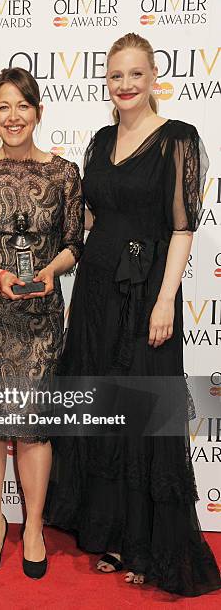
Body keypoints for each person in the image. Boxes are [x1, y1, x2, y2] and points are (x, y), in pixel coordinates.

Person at [44, 32, 221, 596]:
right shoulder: (99, 141)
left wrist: (167, 298)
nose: (125, 84)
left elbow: (182, 227)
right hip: (95, 290)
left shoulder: (177, 140)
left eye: (135, 74)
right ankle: (113, 532)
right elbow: (96, 218)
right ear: (107, 81)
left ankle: (149, 544)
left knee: (146, 416)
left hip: (147, 293)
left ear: (153, 79)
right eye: (116, 75)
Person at [0, 67, 84, 579]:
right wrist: (0, 274)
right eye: (3, 107)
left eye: (22, 106)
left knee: (33, 429)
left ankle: (32, 527)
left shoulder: (65, 173)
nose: (13, 116)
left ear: (39, 112)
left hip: (40, 315)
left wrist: (49, 271)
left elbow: (75, 243)